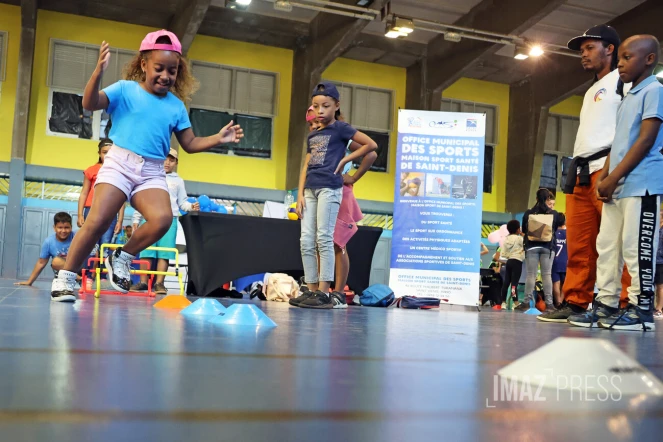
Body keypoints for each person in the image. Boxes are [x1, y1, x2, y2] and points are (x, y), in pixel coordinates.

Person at [49, 30, 243, 302]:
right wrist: (97, 74)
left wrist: (218, 138)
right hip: (120, 163)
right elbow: (89, 103)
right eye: (159, 68)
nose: (166, 76)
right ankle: (66, 278)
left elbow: (189, 143)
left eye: (172, 71)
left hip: (151, 170)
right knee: (98, 220)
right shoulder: (125, 90)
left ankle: (123, 255)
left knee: (163, 219)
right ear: (143, 65)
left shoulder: (176, 106)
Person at [568, 35, 663, 331]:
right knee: (607, 246)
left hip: (641, 184)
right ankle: (606, 303)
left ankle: (641, 310)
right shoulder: (627, 96)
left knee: (637, 249)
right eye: (619, 58)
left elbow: (645, 141)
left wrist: (616, 176)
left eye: (627, 58)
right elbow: (617, 143)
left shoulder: (655, 90)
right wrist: (607, 176)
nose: (620, 64)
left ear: (649, 59)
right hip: (617, 185)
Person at [539, 24, 631, 323]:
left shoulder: (625, 81)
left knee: (616, 242)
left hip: (607, 169)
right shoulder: (593, 88)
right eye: (582, 50)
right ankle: (577, 302)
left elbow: (632, 128)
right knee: (580, 243)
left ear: (610, 48)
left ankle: (624, 304)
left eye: (590, 47)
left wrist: (612, 169)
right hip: (580, 172)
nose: (584, 54)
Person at [294, 82, 377, 309]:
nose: (319, 111)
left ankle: (326, 291)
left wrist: (346, 162)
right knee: (306, 241)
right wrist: (299, 195)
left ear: (335, 106)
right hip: (311, 190)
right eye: (315, 107)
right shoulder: (313, 136)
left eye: (325, 106)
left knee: (326, 239)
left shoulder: (341, 129)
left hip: (330, 189)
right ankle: (311, 290)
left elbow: (371, 146)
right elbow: (306, 165)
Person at [131, 148, 199, 294]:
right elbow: (142, 199)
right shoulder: (149, 176)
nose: (167, 162)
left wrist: (191, 206)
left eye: (171, 159)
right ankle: (143, 282)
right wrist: (136, 219)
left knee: (165, 252)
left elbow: (182, 203)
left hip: (170, 220)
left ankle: (159, 284)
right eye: (165, 158)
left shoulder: (178, 181)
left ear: (176, 162)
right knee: (146, 251)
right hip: (149, 218)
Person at [79, 138, 125, 281]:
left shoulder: (119, 171)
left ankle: (102, 277)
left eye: (111, 153)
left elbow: (121, 196)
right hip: (91, 210)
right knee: (90, 244)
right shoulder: (91, 170)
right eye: (105, 152)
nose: (108, 155)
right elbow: (84, 193)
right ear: (99, 153)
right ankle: (87, 276)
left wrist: (120, 218)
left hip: (110, 212)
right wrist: (80, 213)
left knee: (105, 247)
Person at [519, 189, 559, 312]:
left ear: (536, 199)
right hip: (548, 247)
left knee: (531, 275)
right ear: (548, 199)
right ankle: (550, 304)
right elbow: (554, 228)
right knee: (546, 275)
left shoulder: (528, 213)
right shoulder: (553, 213)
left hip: (531, 247)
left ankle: (526, 302)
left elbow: (525, 230)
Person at [15, 213, 75, 287]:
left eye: (66, 227)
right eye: (60, 227)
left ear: (71, 227)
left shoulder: (76, 237)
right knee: (56, 261)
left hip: (76, 268)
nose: (63, 231)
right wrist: (29, 281)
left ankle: (81, 278)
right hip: (63, 274)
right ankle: (78, 278)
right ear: (54, 228)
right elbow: (41, 263)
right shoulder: (49, 242)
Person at [499, 220, 525, 309]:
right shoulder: (519, 239)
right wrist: (523, 235)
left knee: (506, 282)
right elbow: (526, 245)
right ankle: (515, 302)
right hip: (517, 261)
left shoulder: (506, 239)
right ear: (518, 229)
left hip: (509, 261)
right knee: (514, 284)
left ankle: (503, 303)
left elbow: (503, 254)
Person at [552, 213, 568, 307]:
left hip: (554, 261)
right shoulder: (568, 234)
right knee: (565, 283)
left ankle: (557, 302)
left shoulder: (553, 233)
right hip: (565, 260)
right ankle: (561, 302)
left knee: (556, 283)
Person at [655, 204, 663, 319]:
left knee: (660, 286)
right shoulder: (655, 229)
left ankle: (659, 309)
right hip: (651, 261)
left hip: (661, 261)